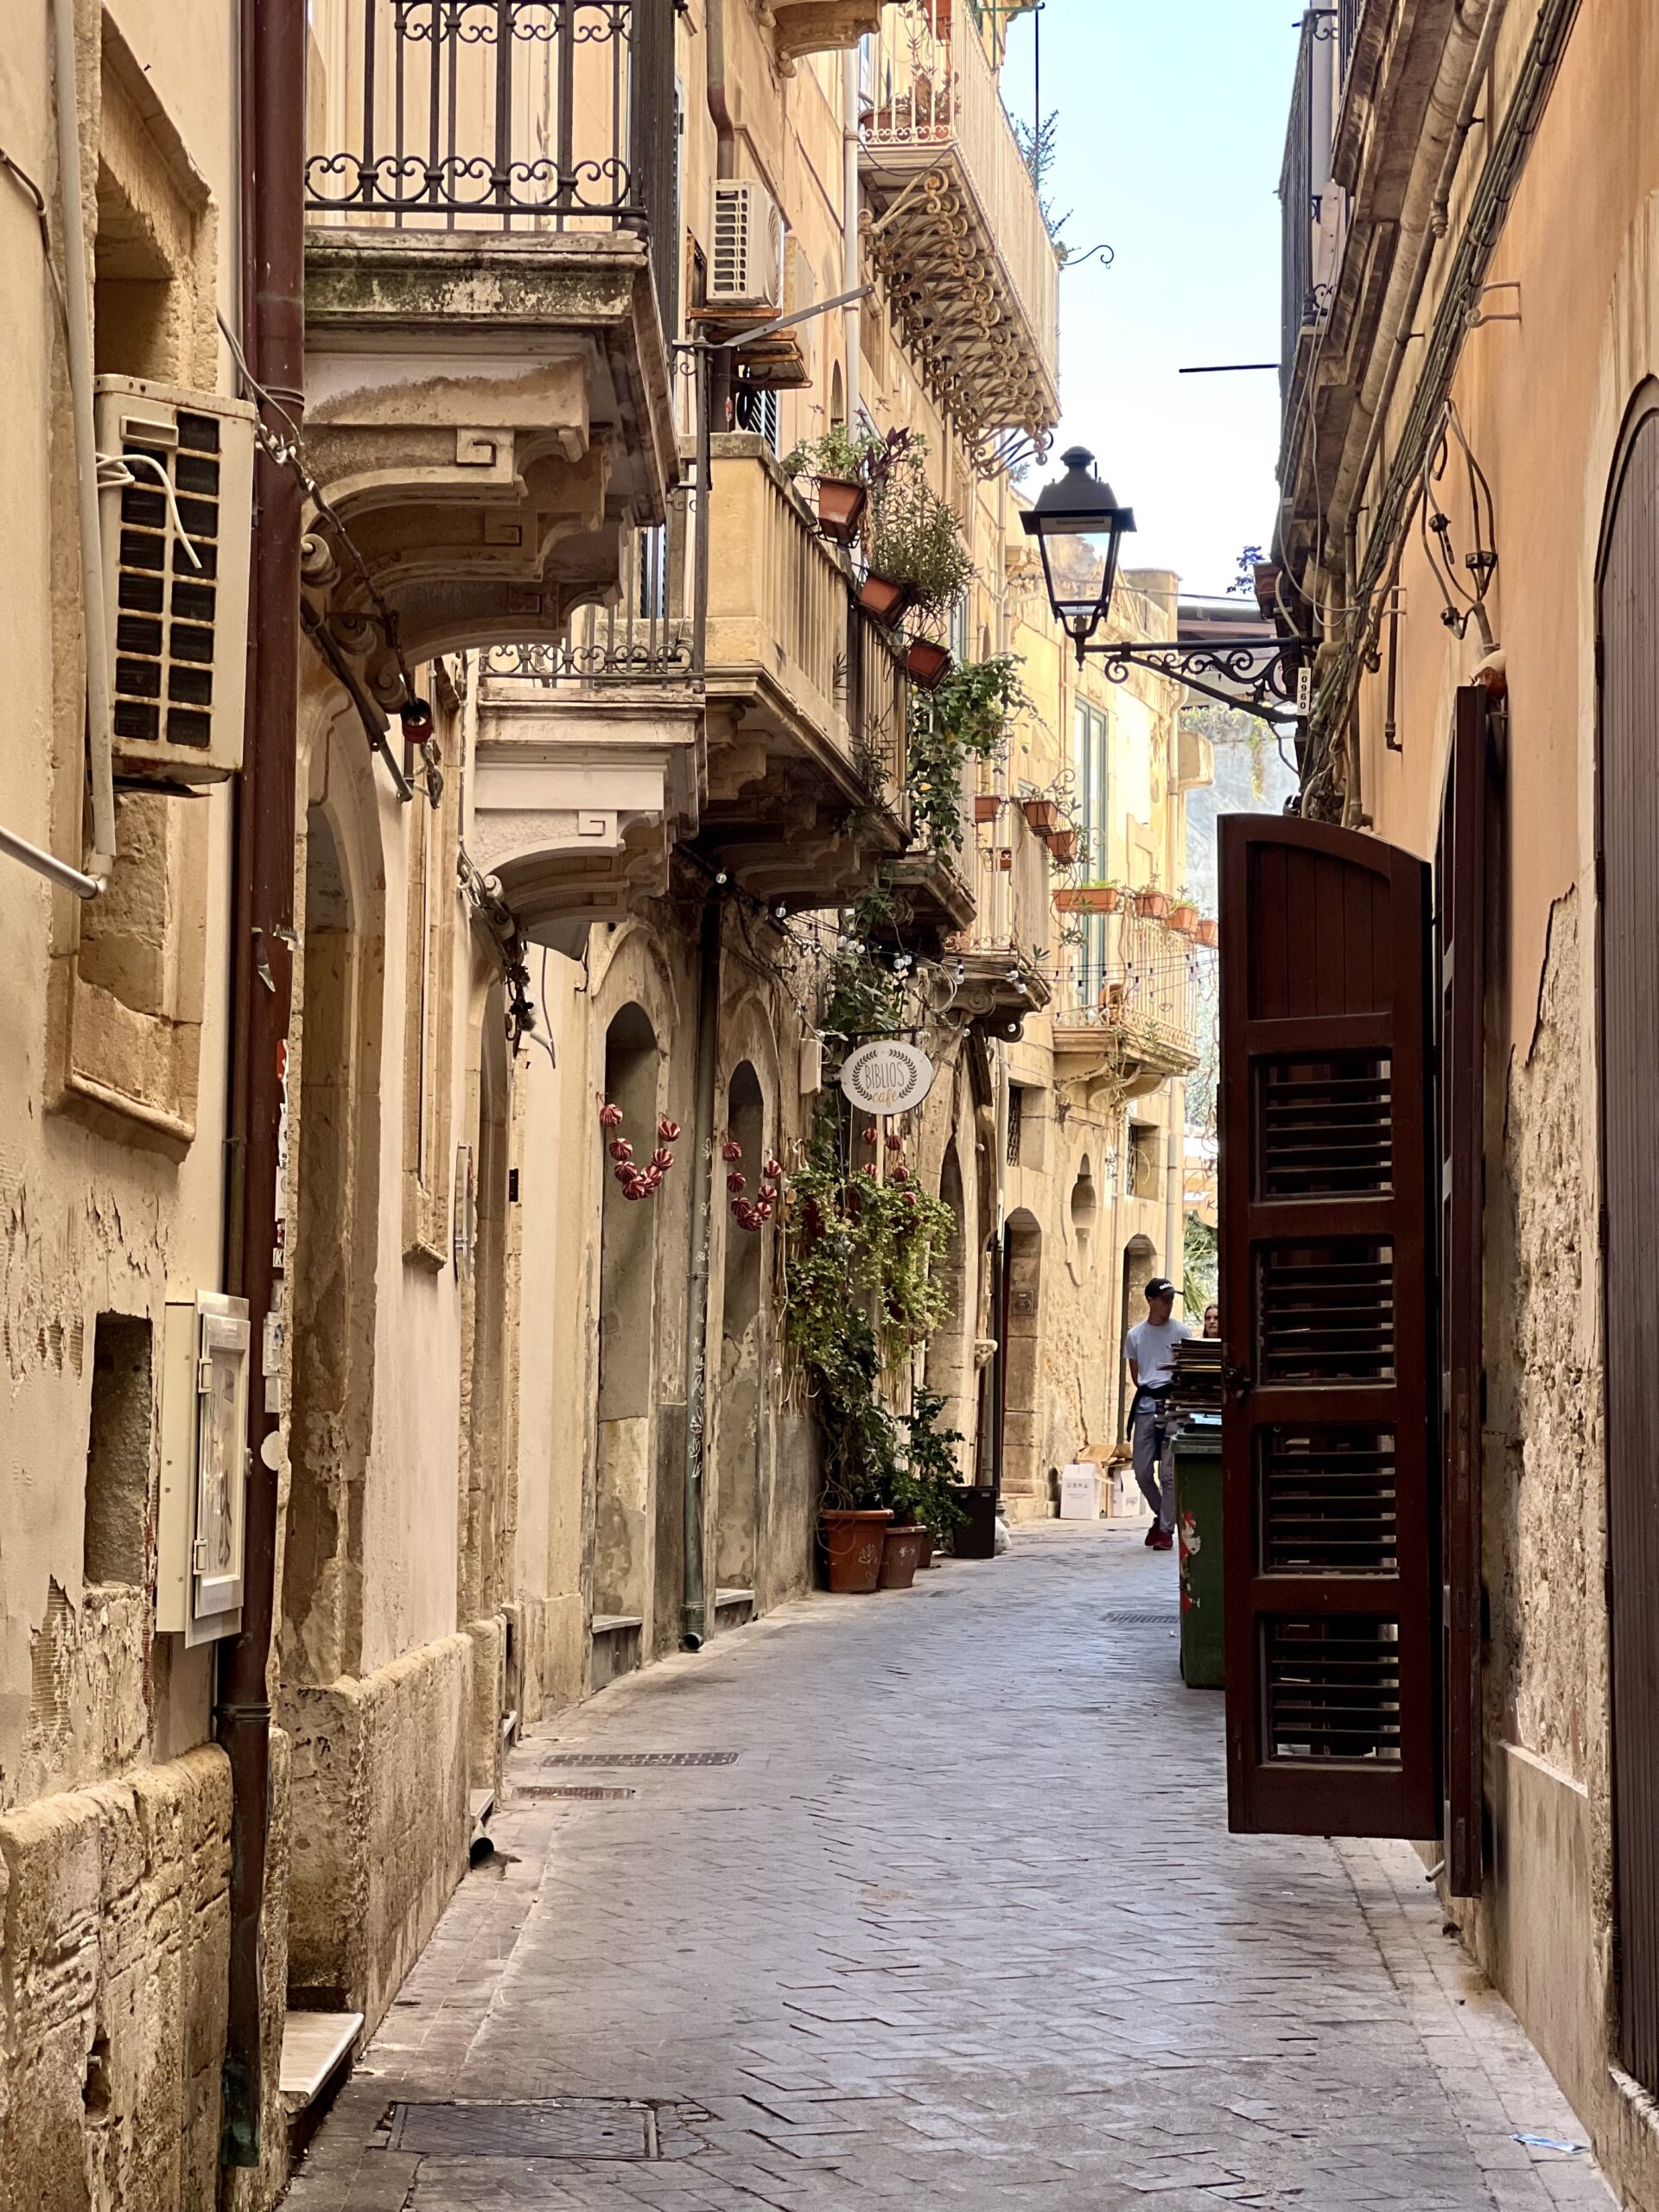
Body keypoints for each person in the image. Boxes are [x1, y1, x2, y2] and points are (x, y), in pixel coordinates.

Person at [1125, 1278, 1192, 1552]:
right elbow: (1136, 1375)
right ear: (1150, 1301)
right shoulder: (1135, 1336)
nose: (1169, 1304)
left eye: (1171, 1299)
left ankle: (1166, 1530)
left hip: (1173, 1403)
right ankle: (1161, 1516)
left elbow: (1188, 1369)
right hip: (1146, 1405)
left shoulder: (1181, 1331)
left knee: (1168, 1473)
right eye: (1164, 1299)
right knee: (1141, 1471)